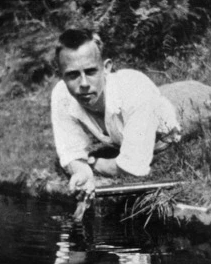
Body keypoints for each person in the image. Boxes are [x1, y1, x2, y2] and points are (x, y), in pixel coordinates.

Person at [51, 28, 181, 199]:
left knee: (209, 102)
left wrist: (92, 161)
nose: (83, 84)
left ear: (106, 67)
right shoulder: (62, 94)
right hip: (142, 105)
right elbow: (70, 153)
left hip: (182, 109)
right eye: (73, 75)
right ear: (61, 76)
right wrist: (82, 172)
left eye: (90, 72)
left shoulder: (135, 91)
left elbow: (133, 168)